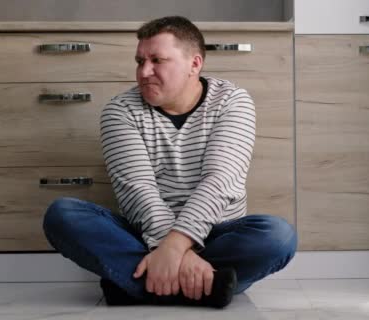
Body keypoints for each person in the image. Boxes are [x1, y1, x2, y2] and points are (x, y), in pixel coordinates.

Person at [42, 16, 297, 309]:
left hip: (216, 232)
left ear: (195, 64)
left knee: (278, 236)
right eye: (139, 61)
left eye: (157, 60)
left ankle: (135, 283)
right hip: (145, 233)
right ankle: (210, 284)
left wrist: (176, 246)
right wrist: (176, 252)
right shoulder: (119, 111)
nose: (144, 71)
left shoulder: (232, 101)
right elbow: (139, 193)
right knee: (62, 215)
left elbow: (220, 180)